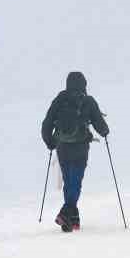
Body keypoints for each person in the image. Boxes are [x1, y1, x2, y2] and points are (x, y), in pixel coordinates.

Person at [40, 72, 110, 232]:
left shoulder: (60, 99)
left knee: (69, 181)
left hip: (62, 147)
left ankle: (72, 218)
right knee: (75, 182)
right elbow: (100, 123)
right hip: (80, 147)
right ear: (84, 84)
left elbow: (47, 123)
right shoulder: (88, 101)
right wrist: (105, 132)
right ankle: (66, 212)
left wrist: (50, 142)